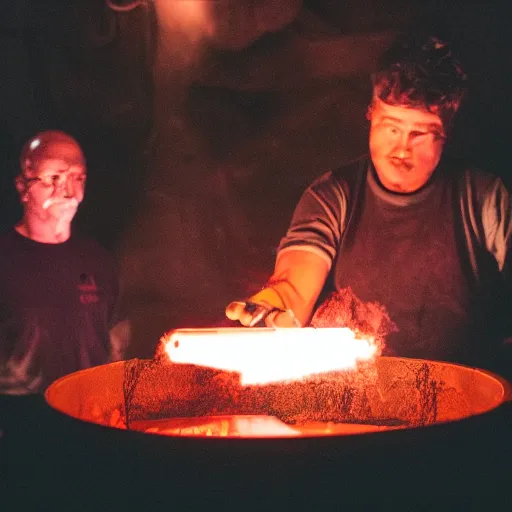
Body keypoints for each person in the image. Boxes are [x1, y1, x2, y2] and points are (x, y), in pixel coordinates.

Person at [226, 34, 512, 370]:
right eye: (391, 127)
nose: (402, 149)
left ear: (446, 132)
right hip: (352, 407)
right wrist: (272, 304)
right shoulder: (333, 195)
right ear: (371, 115)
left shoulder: (484, 198)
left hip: (469, 404)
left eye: (420, 133)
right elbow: (293, 285)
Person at [0, 130, 128, 407]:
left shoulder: (97, 260)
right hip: (22, 431)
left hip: (88, 425)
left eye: (76, 178)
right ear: (23, 187)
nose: (67, 192)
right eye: (54, 178)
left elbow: (114, 342)